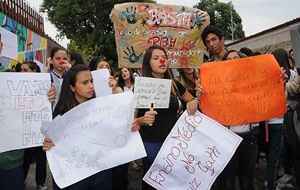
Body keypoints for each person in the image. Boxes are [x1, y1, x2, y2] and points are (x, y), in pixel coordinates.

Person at [131, 45, 198, 190]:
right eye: (156, 58)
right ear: (148, 63)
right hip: (151, 144)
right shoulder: (140, 87)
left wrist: (193, 103)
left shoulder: (175, 84)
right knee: (153, 183)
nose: (162, 60)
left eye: (164, 57)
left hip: (174, 144)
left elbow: (192, 99)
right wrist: (141, 120)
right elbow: (131, 121)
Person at [43, 64, 116, 190]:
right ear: (72, 87)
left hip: (100, 174)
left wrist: (113, 93)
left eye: (92, 81)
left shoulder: (102, 108)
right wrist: (50, 144)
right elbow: (52, 144)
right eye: (85, 83)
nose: (91, 86)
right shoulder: (61, 115)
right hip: (74, 178)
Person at [17, 61, 48, 190]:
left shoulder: (43, 87)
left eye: (25, 70)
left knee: (41, 158)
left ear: (34, 71)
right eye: (21, 70)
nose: (22, 73)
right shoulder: (17, 87)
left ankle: (40, 183)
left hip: (39, 129)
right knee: (25, 157)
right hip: (24, 128)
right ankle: (20, 181)